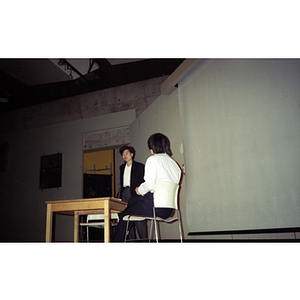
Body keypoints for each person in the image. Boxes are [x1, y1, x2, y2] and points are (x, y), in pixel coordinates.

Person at [112, 133, 182, 242]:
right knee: (132, 201)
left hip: (155, 206)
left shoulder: (153, 160)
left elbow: (149, 185)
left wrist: (139, 190)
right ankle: (133, 239)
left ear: (152, 147)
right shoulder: (175, 164)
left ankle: (116, 243)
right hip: (169, 210)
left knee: (125, 213)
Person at [118, 145, 146, 239]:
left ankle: (144, 241)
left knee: (138, 218)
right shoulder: (121, 168)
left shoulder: (140, 166)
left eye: (126, 153)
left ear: (132, 154)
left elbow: (144, 181)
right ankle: (131, 241)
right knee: (127, 218)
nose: (124, 155)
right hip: (125, 193)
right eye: (123, 154)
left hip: (135, 193)